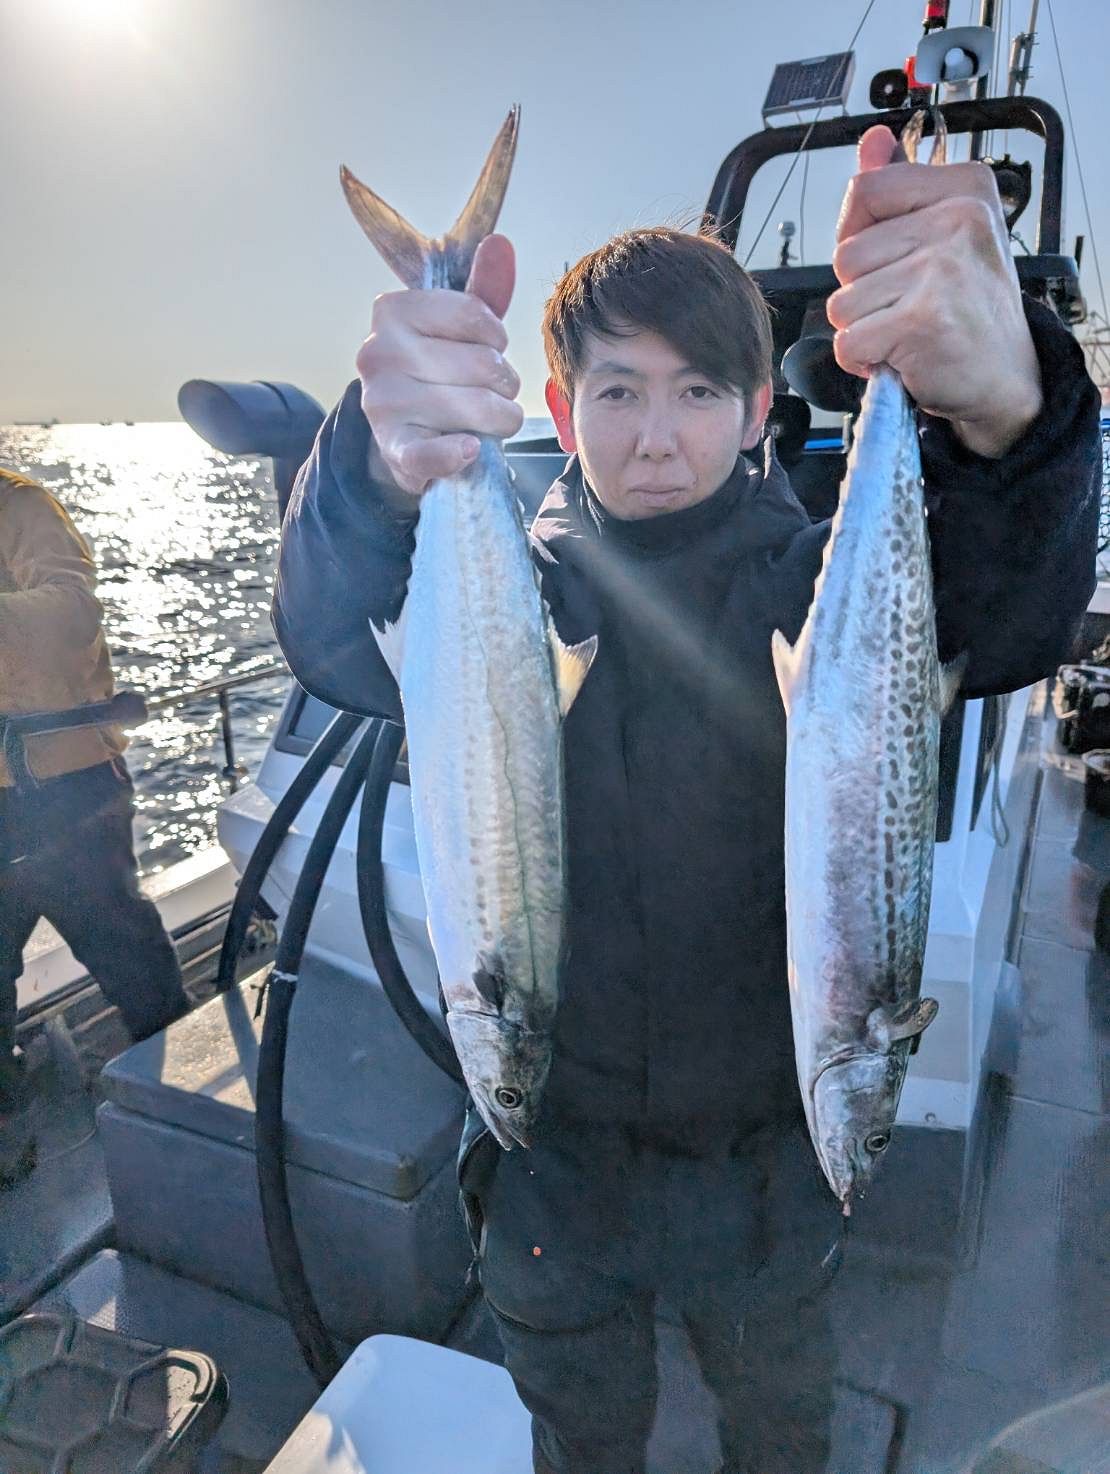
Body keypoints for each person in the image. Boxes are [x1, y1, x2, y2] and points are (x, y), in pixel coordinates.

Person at [272, 126, 1101, 1473]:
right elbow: (329, 629)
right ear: (558, 412)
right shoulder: (513, 595)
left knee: (779, 1424)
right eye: (617, 392)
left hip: (766, 1170)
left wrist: (1015, 414)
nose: (656, 437)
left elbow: (1007, 609)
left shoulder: (811, 588)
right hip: (554, 1171)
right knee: (580, 1430)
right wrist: (374, 469)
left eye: (699, 391)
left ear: (759, 410)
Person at [0, 467, 188, 1188]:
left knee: (127, 950)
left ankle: (184, 1099)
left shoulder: (20, 505)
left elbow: (74, 610)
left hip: (70, 794)